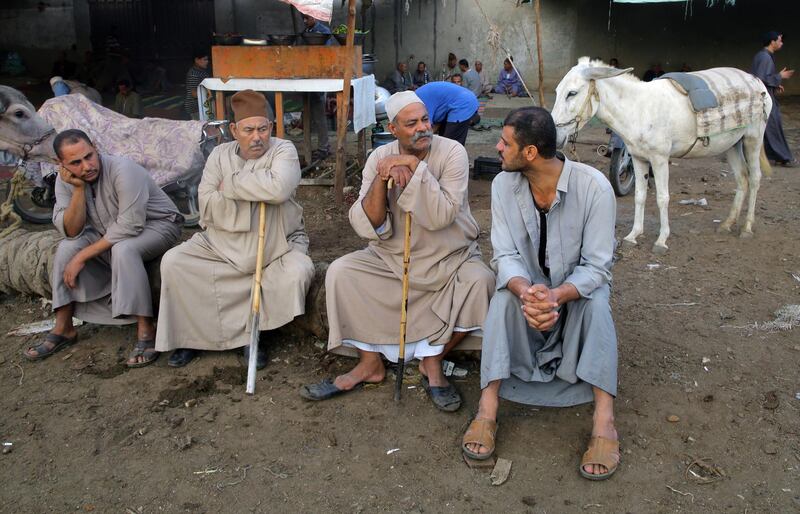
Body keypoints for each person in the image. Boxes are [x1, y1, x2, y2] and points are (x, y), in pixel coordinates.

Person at [299, 91, 494, 411]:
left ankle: (434, 361)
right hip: (391, 258)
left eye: (426, 120)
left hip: (448, 257)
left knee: (482, 281)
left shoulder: (453, 152)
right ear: (393, 129)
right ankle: (369, 364)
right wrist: (382, 176)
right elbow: (367, 222)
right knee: (342, 271)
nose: (423, 128)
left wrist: (415, 169)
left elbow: (442, 216)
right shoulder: (379, 157)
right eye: (412, 123)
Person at [461, 107, 619, 481]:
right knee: (501, 299)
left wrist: (557, 296)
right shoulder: (503, 186)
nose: (497, 147)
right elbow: (505, 256)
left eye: (505, 142)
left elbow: (597, 267)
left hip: (573, 295)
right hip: (529, 297)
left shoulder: (594, 187)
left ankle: (604, 422)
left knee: (598, 305)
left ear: (530, 153)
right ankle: (487, 411)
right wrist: (527, 292)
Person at [156, 90, 314, 369]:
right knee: (174, 262)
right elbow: (206, 201)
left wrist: (229, 185)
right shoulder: (219, 155)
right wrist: (255, 191)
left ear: (271, 127)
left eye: (263, 129)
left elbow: (277, 188)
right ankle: (191, 337)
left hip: (275, 244)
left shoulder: (283, 150)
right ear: (233, 130)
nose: (257, 137)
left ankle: (255, 335)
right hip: (221, 242)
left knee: (296, 272)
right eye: (249, 130)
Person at [23, 130, 183, 367]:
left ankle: (146, 330)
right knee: (67, 248)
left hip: (157, 226)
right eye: (76, 163)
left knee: (123, 250)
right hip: (106, 232)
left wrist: (83, 256)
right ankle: (64, 327)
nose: (87, 166)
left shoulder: (123, 169)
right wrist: (77, 190)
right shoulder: (65, 181)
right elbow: (71, 230)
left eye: (89, 156)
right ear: (62, 164)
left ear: (95, 147)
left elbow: (130, 225)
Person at [752, 31, 796, 167]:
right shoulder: (764, 57)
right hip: (764, 100)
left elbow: (764, 78)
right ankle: (783, 157)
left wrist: (775, 85)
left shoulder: (764, 56)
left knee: (767, 128)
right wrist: (779, 76)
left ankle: (775, 156)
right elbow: (760, 78)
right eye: (780, 40)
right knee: (772, 126)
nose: (781, 43)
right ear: (772, 42)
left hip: (764, 96)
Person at [301, 14, 333, 158]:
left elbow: (326, 53)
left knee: (320, 115)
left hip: (319, 76)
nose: (305, 21)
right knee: (309, 114)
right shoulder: (307, 31)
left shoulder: (323, 32)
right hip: (308, 75)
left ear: (314, 17)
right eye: (304, 19)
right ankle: (314, 147)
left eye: (307, 18)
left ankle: (324, 147)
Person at [415, 81, 480, 146]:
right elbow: (436, 125)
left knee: (450, 144)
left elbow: (428, 128)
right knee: (443, 140)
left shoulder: (420, 102)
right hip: (455, 103)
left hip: (463, 103)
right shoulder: (418, 97)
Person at [184, 49, 210, 120]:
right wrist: (210, 95)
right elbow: (194, 94)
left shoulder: (201, 71)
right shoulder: (194, 74)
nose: (207, 62)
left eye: (207, 59)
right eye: (205, 59)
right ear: (197, 60)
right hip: (195, 107)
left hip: (201, 106)